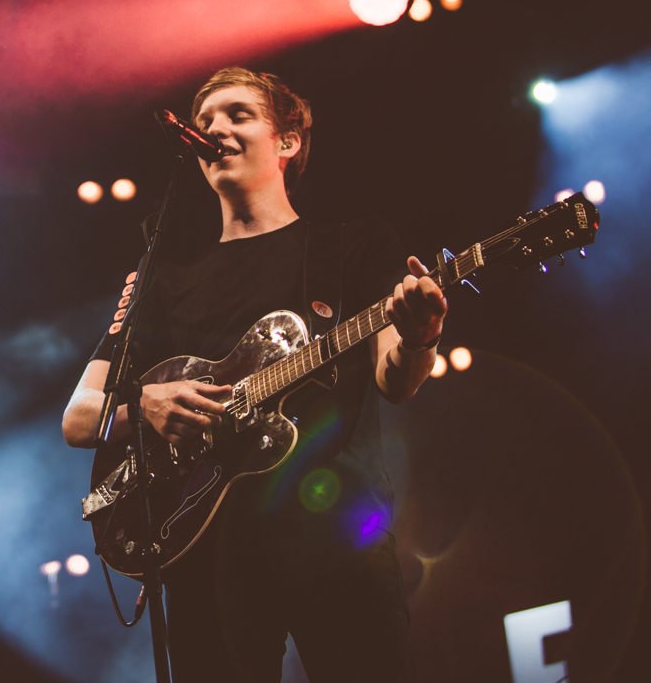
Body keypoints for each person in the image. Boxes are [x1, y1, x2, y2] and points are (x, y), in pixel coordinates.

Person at [62, 68, 447, 682]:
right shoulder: (165, 276)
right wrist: (146, 405)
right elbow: (79, 418)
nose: (216, 129)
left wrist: (422, 337)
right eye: (206, 121)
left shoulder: (351, 248)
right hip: (206, 554)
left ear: (287, 141)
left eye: (238, 115)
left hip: (335, 538)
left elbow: (394, 380)